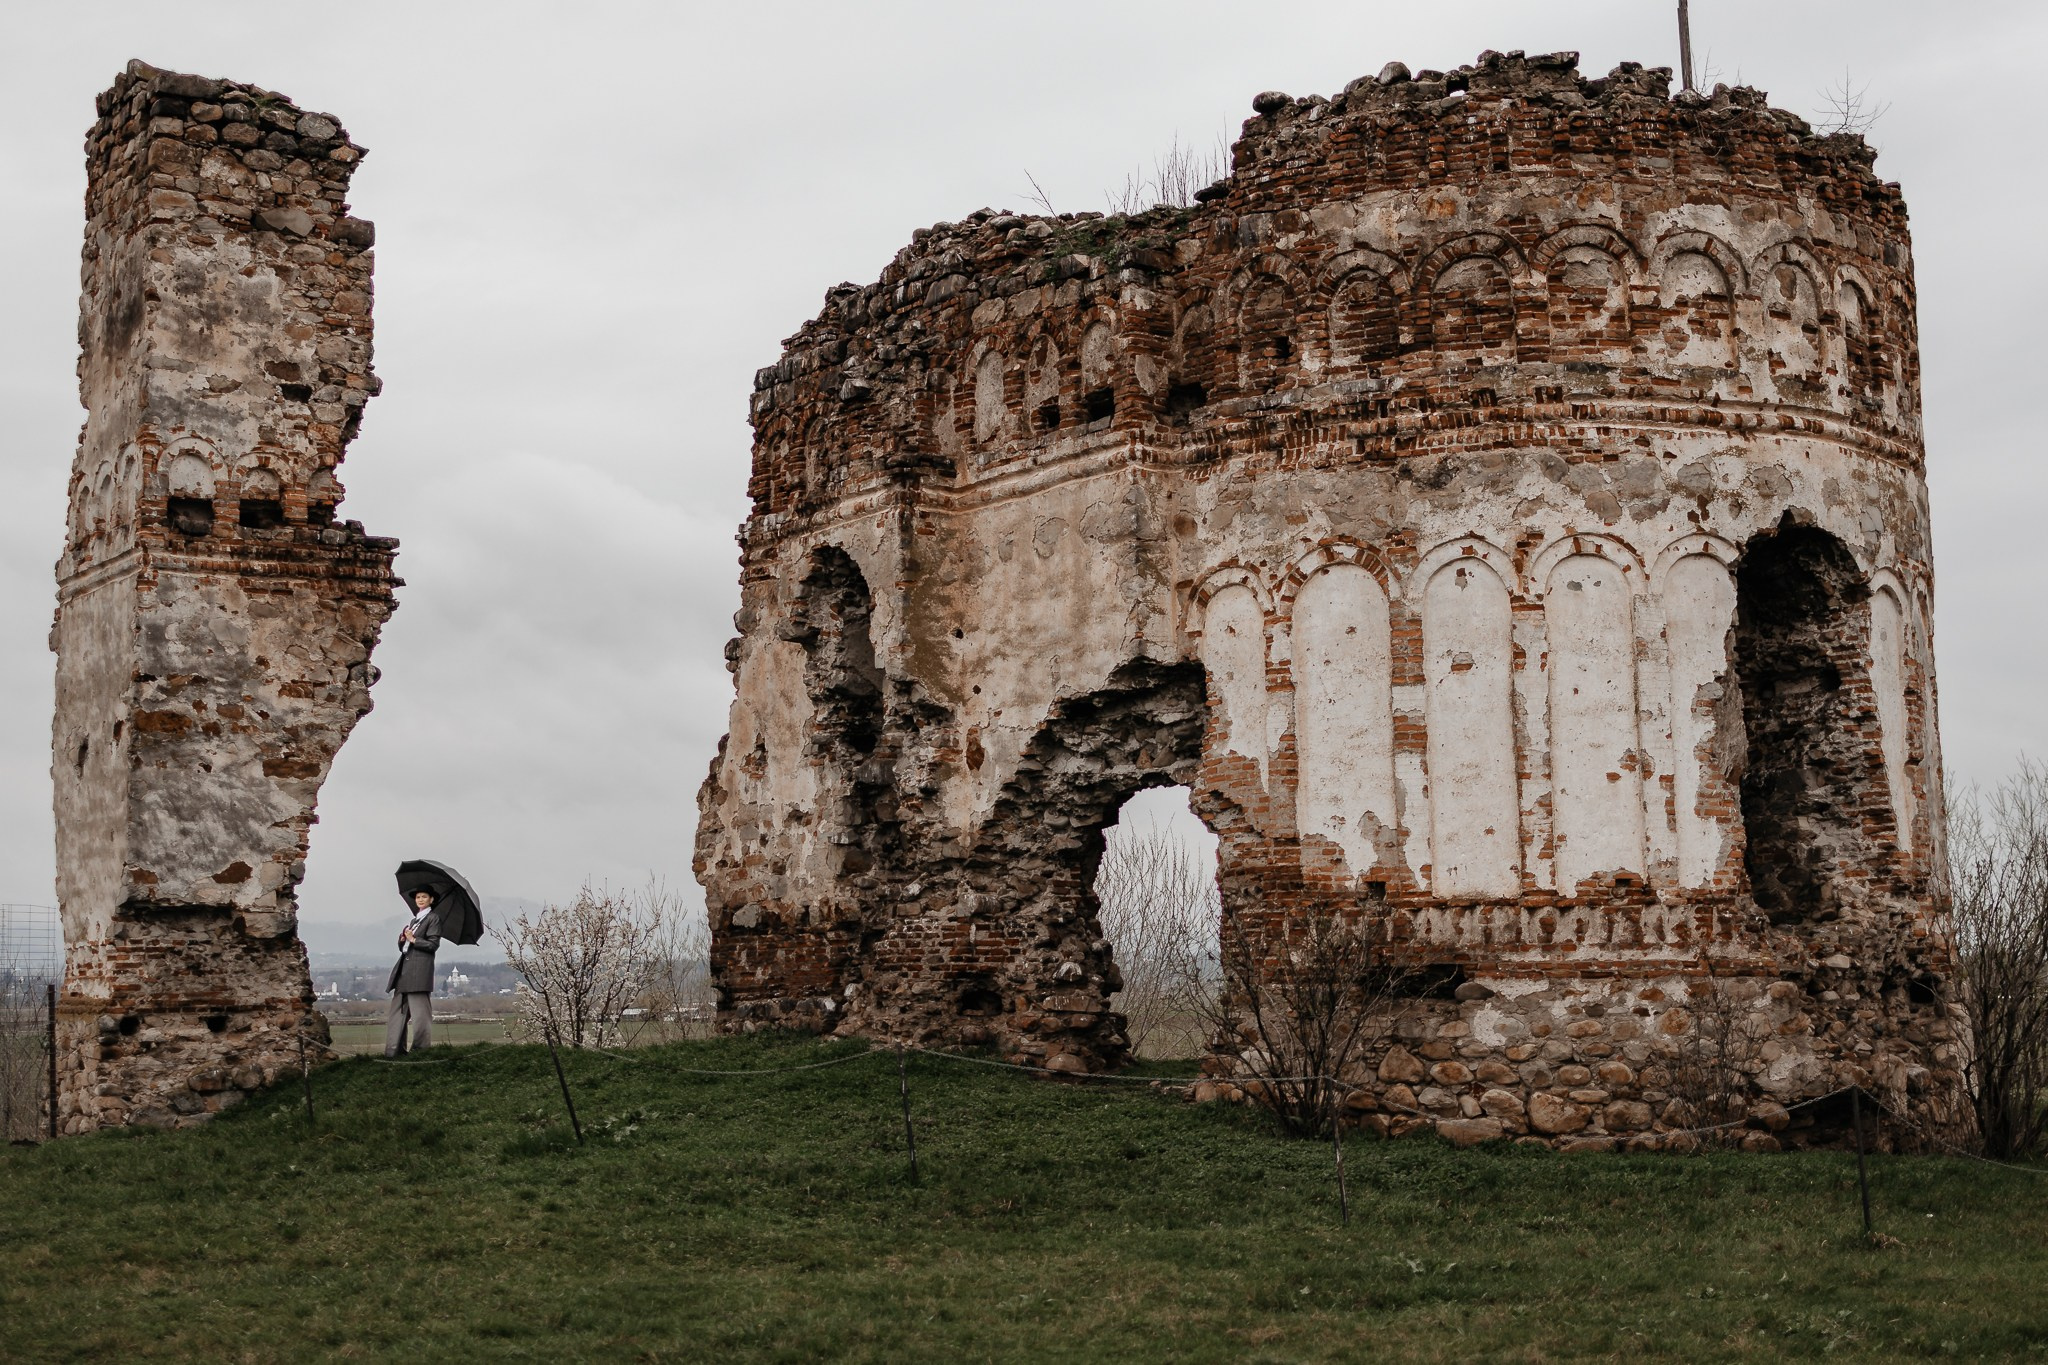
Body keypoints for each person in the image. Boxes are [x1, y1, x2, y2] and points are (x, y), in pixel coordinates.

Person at [385, 887, 443, 1057]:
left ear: (431, 899)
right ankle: (393, 1051)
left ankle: (420, 1051)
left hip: (419, 973)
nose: (420, 899)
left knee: (420, 1016)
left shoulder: (433, 919)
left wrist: (414, 939)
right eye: (418, 897)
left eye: (424, 896)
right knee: (397, 1013)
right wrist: (402, 940)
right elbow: (406, 949)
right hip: (404, 972)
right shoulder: (414, 921)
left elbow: (433, 945)